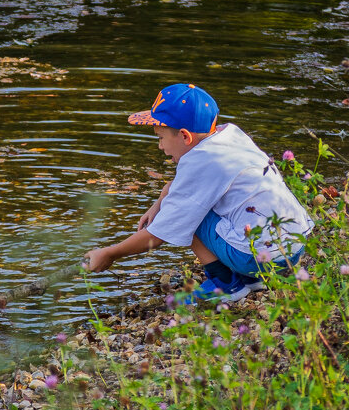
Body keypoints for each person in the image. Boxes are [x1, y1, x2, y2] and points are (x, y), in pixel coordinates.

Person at [83, 83, 313, 303]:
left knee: (188, 213)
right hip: (291, 248)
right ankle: (251, 279)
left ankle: (226, 284)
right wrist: (161, 200)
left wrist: (110, 253)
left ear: (184, 136)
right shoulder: (230, 136)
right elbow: (190, 184)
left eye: (161, 138)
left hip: (257, 259)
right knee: (191, 202)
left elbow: (159, 234)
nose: (160, 146)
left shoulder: (198, 162)